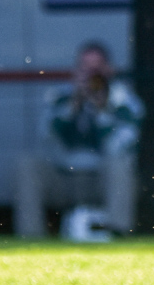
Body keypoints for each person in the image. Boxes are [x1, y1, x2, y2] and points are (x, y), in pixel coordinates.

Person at [16, 41, 140, 240]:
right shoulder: (59, 97)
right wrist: (72, 108)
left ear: (109, 70)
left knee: (121, 166)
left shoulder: (125, 102)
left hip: (100, 179)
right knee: (27, 165)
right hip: (65, 177)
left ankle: (118, 233)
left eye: (96, 69)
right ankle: (31, 238)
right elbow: (45, 138)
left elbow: (121, 147)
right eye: (85, 69)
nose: (91, 76)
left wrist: (101, 111)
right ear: (76, 71)